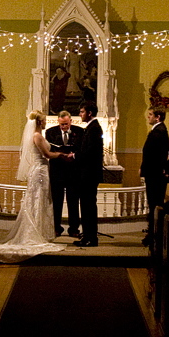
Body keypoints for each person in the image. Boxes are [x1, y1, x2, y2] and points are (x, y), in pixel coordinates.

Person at [0, 110, 69, 263]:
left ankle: (41, 231)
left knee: (41, 199)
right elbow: (46, 154)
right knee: (38, 200)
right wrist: (61, 155)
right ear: (39, 122)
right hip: (39, 171)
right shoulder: (37, 136)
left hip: (42, 170)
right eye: (45, 120)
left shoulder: (38, 135)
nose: (46, 122)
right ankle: (35, 232)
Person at [44, 110, 84, 237]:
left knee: (73, 202)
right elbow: (49, 150)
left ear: (71, 121)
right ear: (58, 122)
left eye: (66, 124)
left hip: (73, 172)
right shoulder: (50, 132)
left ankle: (73, 229)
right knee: (56, 202)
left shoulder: (80, 131)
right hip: (57, 171)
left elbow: (81, 149)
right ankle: (56, 228)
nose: (64, 127)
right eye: (61, 124)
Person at [74, 100, 103, 247]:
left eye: (82, 112)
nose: (80, 114)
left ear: (89, 113)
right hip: (88, 173)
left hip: (89, 174)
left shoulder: (94, 129)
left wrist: (74, 156)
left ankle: (91, 238)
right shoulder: (92, 128)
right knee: (86, 206)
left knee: (88, 207)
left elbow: (89, 153)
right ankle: (88, 236)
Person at [140, 106, 169, 247]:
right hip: (154, 173)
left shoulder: (158, 132)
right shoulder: (158, 131)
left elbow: (152, 155)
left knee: (154, 205)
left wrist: (144, 168)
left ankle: (153, 235)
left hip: (154, 174)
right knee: (153, 204)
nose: (148, 117)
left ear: (158, 117)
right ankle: (152, 234)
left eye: (150, 114)